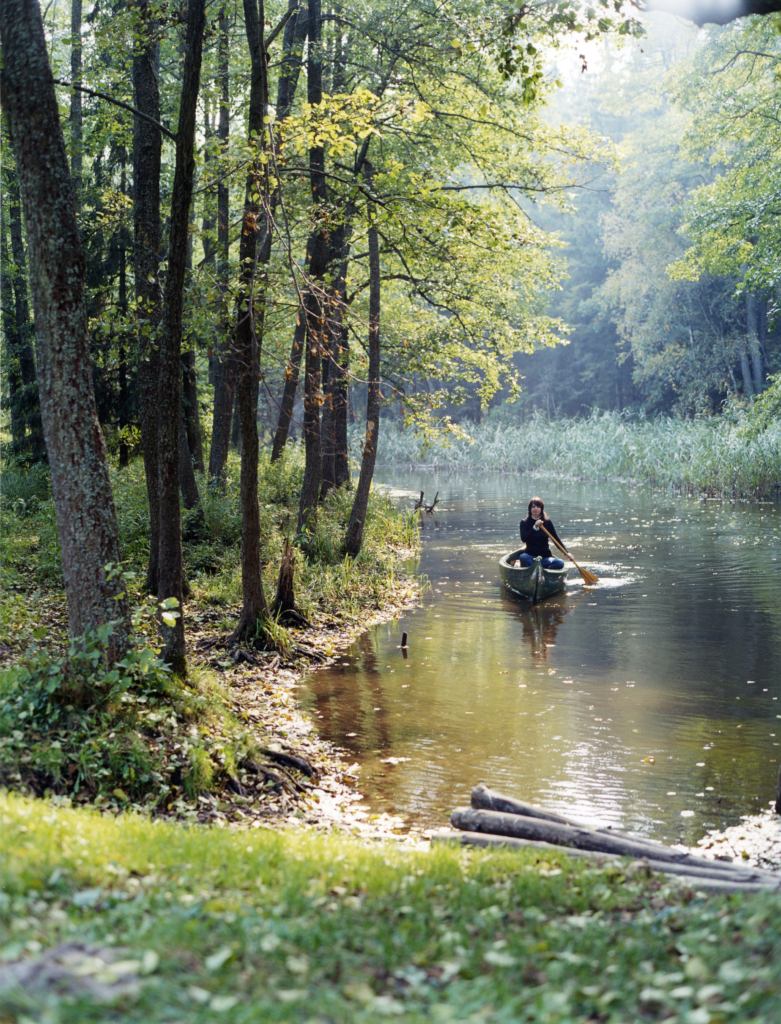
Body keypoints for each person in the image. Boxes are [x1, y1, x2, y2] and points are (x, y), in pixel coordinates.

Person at [518, 497, 575, 570]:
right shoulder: (524, 522)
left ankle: (543, 571)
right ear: (530, 509)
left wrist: (567, 553)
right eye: (533, 507)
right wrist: (534, 527)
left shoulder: (547, 522)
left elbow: (556, 539)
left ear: (541, 509)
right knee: (523, 557)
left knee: (560, 563)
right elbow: (524, 539)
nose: (536, 509)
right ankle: (538, 570)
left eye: (538, 507)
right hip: (531, 557)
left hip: (545, 558)